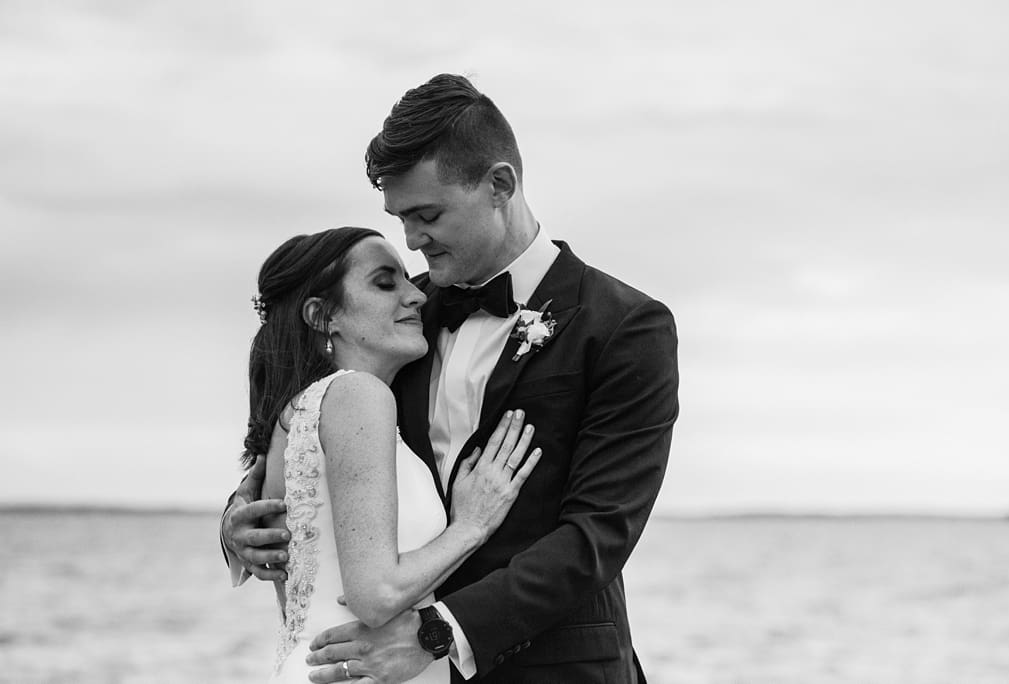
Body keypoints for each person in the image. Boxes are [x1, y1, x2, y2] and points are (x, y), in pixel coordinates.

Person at [225, 73, 679, 683]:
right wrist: (239, 520)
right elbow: (304, 435)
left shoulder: (624, 326)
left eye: (427, 214)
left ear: (499, 185)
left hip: (555, 668)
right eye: (399, 217)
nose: (411, 240)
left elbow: (598, 533)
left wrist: (440, 633)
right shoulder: (397, 317)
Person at [229, 226, 542, 682]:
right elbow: (374, 594)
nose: (417, 295)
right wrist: (472, 524)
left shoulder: (299, 411)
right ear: (322, 316)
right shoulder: (358, 394)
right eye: (384, 282)